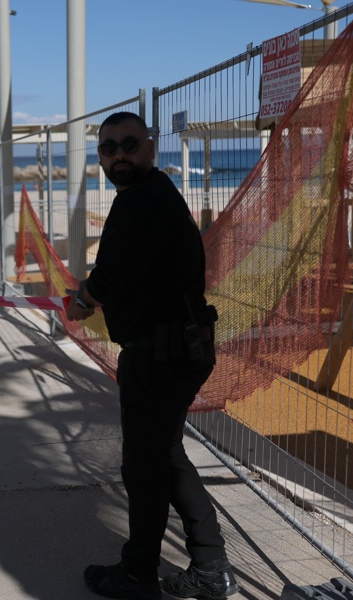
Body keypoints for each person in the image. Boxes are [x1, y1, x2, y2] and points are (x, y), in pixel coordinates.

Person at [65, 112, 239, 600]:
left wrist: (81, 301)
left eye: (129, 144)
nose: (118, 155)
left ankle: (137, 574)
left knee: (145, 469)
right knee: (166, 456)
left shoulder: (142, 200)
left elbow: (114, 275)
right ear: (100, 157)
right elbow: (133, 273)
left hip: (161, 354)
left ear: (150, 147)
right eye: (108, 148)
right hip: (176, 348)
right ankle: (211, 566)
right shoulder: (152, 194)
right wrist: (92, 294)